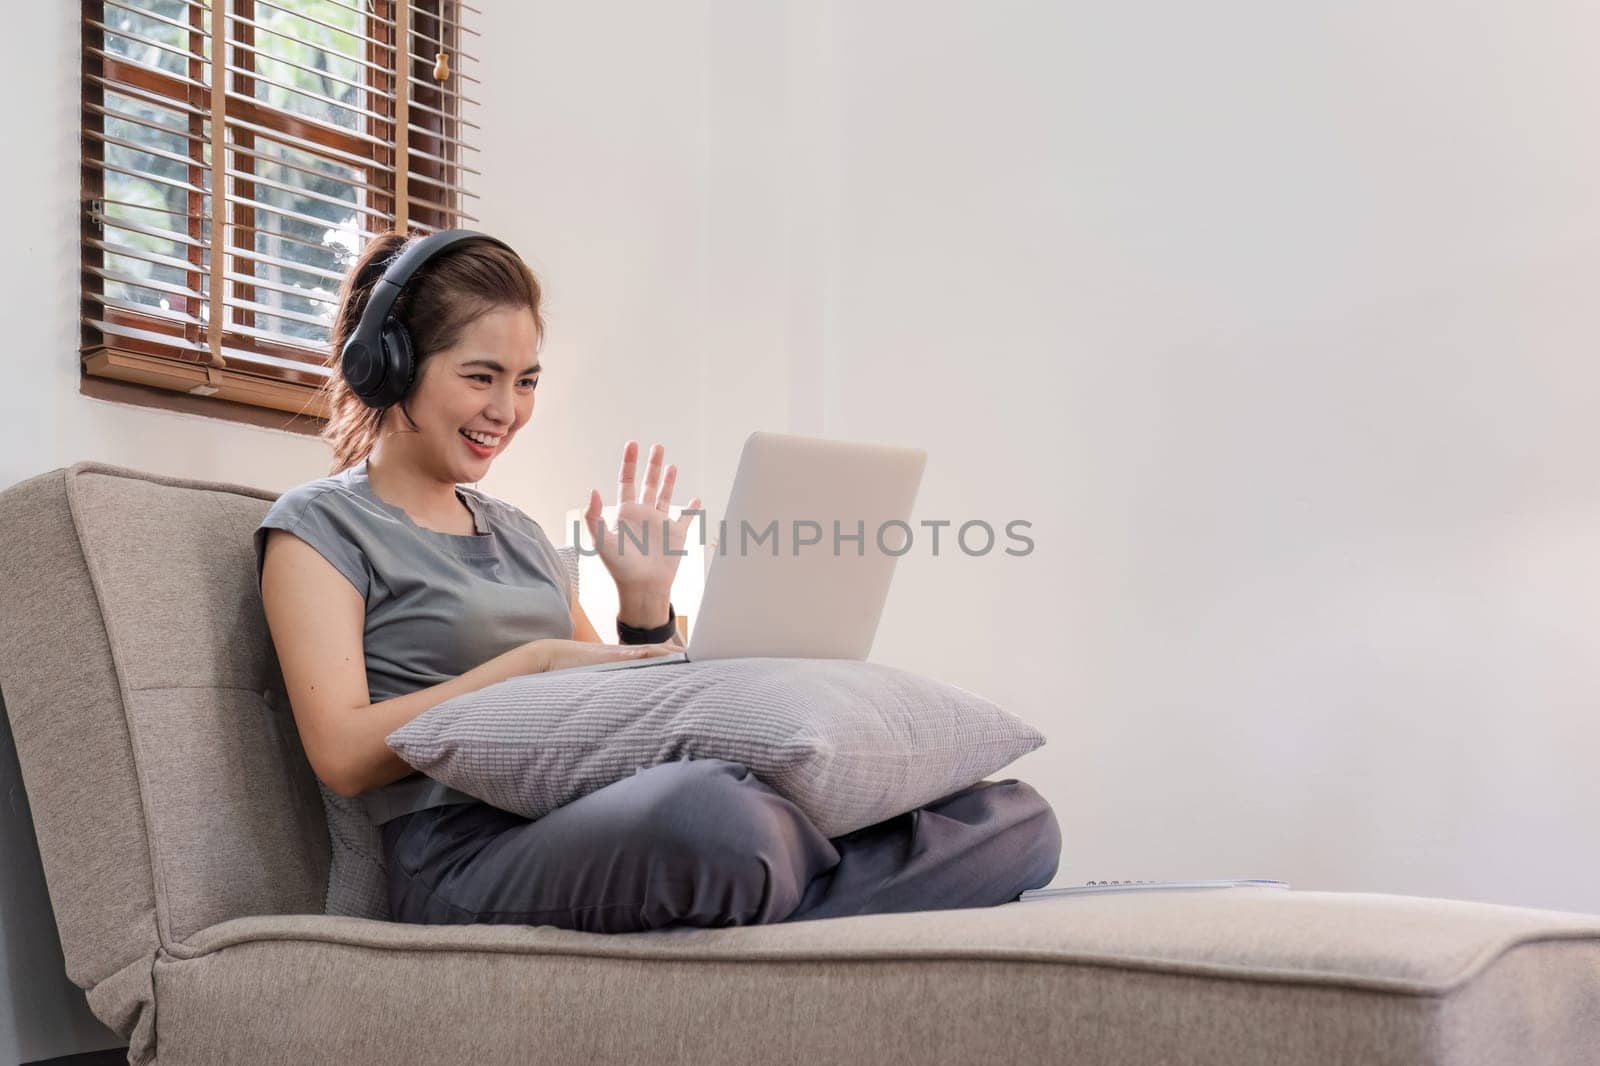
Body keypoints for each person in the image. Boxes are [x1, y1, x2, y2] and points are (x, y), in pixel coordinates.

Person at [255, 228, 1062, 934]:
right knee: (718, 820)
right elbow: (344, 755)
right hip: (455, 857)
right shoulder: (321, 528)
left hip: (583, 819)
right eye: (481, 376)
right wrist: (525, 666)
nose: (508, 408)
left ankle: (769, 882)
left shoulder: (521, 534)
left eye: (527, 380)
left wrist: (645, 611)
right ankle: (778, 869)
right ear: (390, 366)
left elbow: (611, 726)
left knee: (1013, 818)